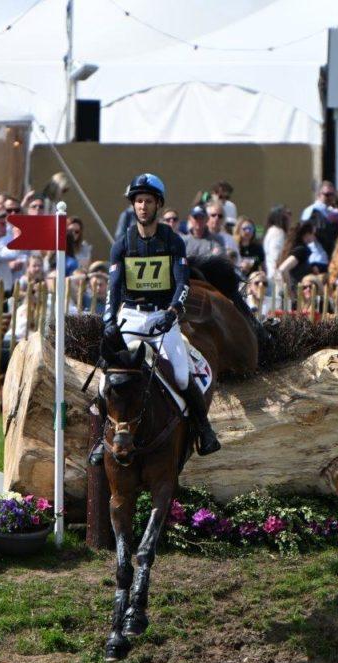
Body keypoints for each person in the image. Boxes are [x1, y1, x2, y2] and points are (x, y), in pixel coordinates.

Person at [92, 172, 220, 465]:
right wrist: (109, 320)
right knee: (105, 384)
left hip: (162, 317)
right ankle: (103, 438)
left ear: (158, 204)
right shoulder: (122, 245)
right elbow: (113, 287)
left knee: (181, 375)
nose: (143, 207)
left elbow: (182, 283)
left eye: (148, 201)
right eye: (138, 201)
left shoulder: (173, 242)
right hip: (132, 319)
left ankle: (204, 429)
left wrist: (173, 312)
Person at [275, 221, 319, 291]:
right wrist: (290, 292)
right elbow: (283, 269)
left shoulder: (290, 248)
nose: (315, 237)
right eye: (313, 234)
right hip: (295, 293)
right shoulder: (301, 250)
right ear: (306, 234)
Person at [262, 205, 289, 279]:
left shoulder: (270, 231)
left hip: (271, 272)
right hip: (276, 275)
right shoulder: (278, 232)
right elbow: (276, 255)